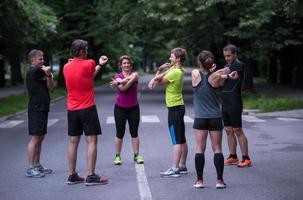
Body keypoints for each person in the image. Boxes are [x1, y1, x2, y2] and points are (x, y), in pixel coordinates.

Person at [63, 39, 108, 186]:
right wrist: (100, 64)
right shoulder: (89, 63)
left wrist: (73, 63)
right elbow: (91, 74)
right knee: (91, 141)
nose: (88, 52)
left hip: (72, 109)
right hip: (87, 108)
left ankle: (72, 175)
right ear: (82, 51)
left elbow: (85, 76)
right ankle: (91, 175)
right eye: (86, 50)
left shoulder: (65, 67)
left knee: (73, 142)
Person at [192, 50, 238, 189]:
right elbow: (223, 75)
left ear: (200, 62)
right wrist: (228, 75)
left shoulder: (194, 73)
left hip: (200, 117)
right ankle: (219, 181)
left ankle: (199, 181)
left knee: (200, 148)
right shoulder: (216, 76)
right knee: (217, 148)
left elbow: (203, 71)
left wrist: (209, 69)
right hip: (215, 117)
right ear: (211, 63)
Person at [148, 47, 188, 177]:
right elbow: (157, 80)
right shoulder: (175, 69)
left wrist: (159, 70)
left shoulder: (175, 72)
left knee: (176, 139)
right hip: (179, 106)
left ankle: (174, 168)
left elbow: (154, 83)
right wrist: (162, 71)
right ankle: (182, 165)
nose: (170, 58)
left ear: (178, 58)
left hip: (174, 108)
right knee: (181, 138)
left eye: (172, 56)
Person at [110, 55, 144, 165]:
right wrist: (123, 82)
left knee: (134, 132)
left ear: (131, 64)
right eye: (124, 63)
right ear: (120, 65)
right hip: (120, 108)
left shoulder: (135, 74)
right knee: (120, 133)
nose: (126, 65)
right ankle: (117, 156)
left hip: (134, 107)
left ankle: (136, 155)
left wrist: (120, 82)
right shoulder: (117, 75)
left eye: (128, 63)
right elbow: (122, 89)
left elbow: (125, 84)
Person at [222, 44, 252, 168]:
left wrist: (217, 73)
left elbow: (221, 75)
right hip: (225, 101)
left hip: (235, 101)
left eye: (229, 55)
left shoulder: (238, 65)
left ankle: (246, 158)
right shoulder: (227, 66)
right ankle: (233, 156)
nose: (227, 58)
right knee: (228, 130)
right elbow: (219, 80)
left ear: (235, 54)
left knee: (237, 130)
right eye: (225, 56)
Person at [25, 49, 54, 178]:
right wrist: (48, 73)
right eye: (39, 59)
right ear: (32, 60)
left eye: (43, 58)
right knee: (35, 138)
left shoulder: (40, 72)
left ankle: (37, 165)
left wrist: (48, 75)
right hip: (36, 109)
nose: (43, 61)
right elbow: (48, 73)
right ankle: (31, 167)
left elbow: (51, 87)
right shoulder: (33, 71)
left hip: (42, 108)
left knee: (40, 138)